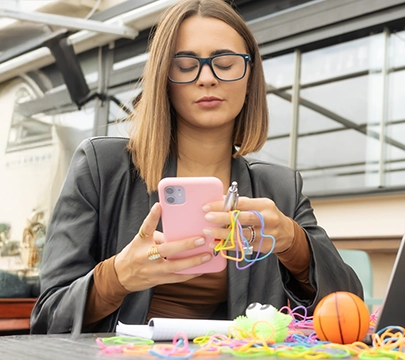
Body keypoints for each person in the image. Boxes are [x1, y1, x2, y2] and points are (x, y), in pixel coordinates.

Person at [30, 0, 363, 334]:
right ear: (164, 77)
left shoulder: (279, 189)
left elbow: (350, 309)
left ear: (250, 76)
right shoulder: (101, 168)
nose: (207, 78)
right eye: (186, 64)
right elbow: (47, 317)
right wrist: (117, 276)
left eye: (226, 63)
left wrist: (293, 242)